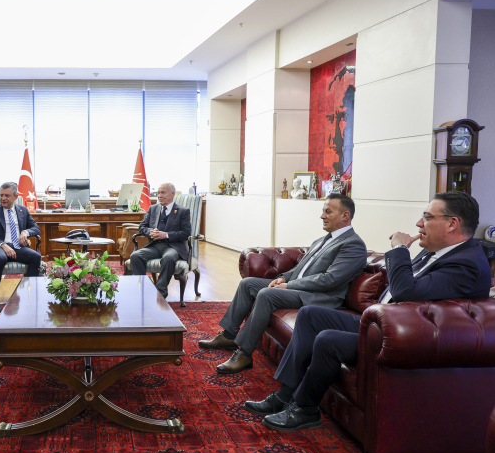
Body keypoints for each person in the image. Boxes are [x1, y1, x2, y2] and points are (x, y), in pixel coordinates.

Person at [248, 191, 492, 431]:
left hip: (401, 338)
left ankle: (305, 409)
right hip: (383, 323)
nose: (419, 223)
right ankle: (284, 395)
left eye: (427, 217)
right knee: (310, 314)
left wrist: (399, 250)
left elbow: (405, 291)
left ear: (452, 223)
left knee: (328, 340)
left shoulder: (467, 264)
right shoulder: (439, 252)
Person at [199, 193, 367, 374]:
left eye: (328, 211)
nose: (322, 216)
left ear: (345, 215)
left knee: (267, 294)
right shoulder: (323, 239)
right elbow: (302, 268)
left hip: (318, 297)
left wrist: (290, 285)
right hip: (299, 288)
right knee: (248, 284)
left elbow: (330, 279)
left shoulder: (353, 245)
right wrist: (284, 278)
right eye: (323, 211)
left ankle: (244, 354)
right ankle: (228, 336)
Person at [0, 181, 42, 314]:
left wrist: (25, 232)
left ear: (15, 196)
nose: (3, 198)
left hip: (16, 246)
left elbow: (36, 228)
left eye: (7, 196)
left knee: (36, 257)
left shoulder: (22, 210)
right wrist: (3, 245)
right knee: (0, 258)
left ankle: (28, 294)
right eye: (1, 195)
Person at [130, 183, 191, 299]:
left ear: (172, 194)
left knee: (168, 258)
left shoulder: (183, 211)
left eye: (163, 193)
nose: (159, 196)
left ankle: (160, 293)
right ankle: (141, 290)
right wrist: (151, 232)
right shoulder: (153, 209)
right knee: (135, 256)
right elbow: (142, 227)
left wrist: (166, 235)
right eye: (158, 193)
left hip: (172, 247)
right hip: (154, 246)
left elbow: (186, 233)